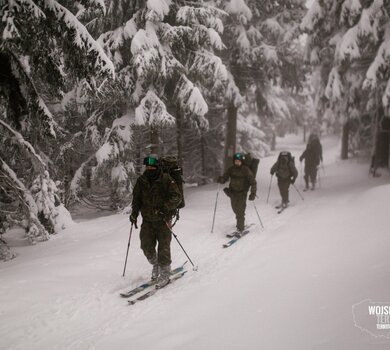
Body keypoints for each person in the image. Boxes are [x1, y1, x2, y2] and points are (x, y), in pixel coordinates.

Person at [129, 155, 182, 288]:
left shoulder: (166, 179)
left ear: (157, 167)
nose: (149, 169)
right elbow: (136, 198)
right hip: (147, 219)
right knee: (146, 246)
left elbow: (177, 197)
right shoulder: (142, 180)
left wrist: (165, 207)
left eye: (152, 166)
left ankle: (165, 273)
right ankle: (156, 264)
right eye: (147, 166)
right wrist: (134, 213)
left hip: (163, 219)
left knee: (163, 247)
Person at [217, 152, 257, 235]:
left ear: (241, 161)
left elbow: (253, 182)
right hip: (232, 193)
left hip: (242, 193)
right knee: (235, 209)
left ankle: (240, 228)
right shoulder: (231, 169)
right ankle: (240, 223)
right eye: (235, 161)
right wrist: (221, 179)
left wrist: (253, 193)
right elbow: (225, 177)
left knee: (240, 211)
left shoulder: (246, 170)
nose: (237, 162)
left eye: (238, 161)